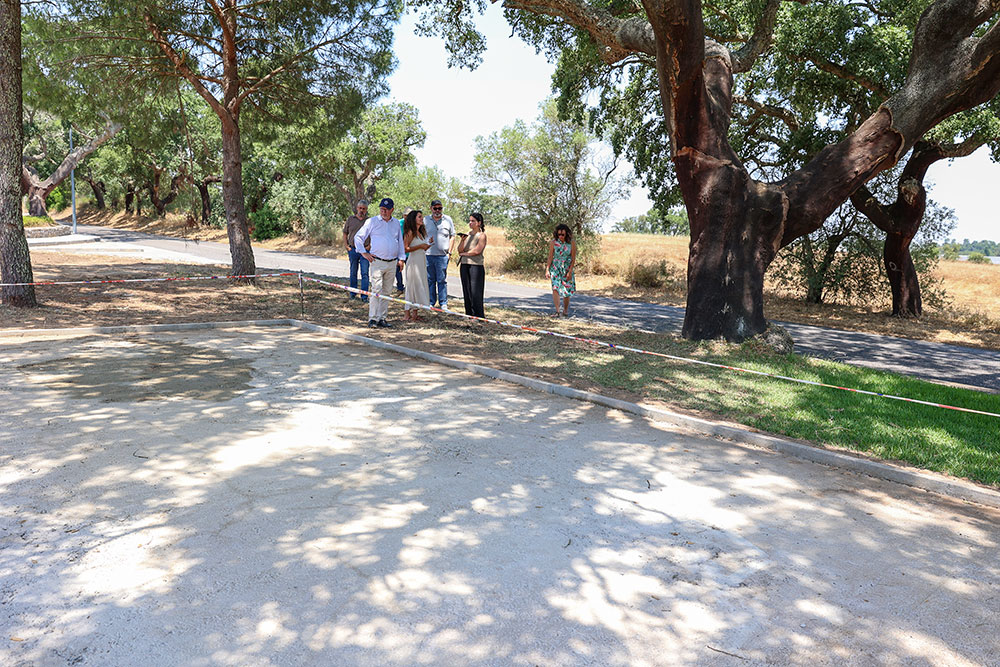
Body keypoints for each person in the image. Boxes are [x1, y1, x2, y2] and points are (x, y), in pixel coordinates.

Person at [354, 197, 406, 328]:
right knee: (376, 289)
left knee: (387, 291)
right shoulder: (372, 222)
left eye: (386, 210)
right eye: (382, 209)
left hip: (392, 263)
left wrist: (401, 259)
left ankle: (382, 318)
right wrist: (363, 253)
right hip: (377, 261)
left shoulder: (395, 224)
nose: (384, 212)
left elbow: (400, 242)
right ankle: (373, 318)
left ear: (392, 210)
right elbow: (358, 237)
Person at [424, 198, 456, 310]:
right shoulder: (425, 220)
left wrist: (449, 253)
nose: (437, 210)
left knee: (442, 280)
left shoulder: (448, 220)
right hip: (428, 255)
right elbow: (421, 235)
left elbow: (453, 236)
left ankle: (443, 303)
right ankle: (431, 302)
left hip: (442, 256)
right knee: (430, 280)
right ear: (431, 208)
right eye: (435, 208)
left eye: (440, 208)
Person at [402, 210, 432, 322]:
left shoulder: (421, 232)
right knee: (411, 286)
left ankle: (415, 314)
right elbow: (405, 248)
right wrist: (420, 246)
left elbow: (423, 247)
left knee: (419, 285)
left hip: (421, 261)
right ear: (413, 218)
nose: (421, 219)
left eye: (422, 217)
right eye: (419, 217)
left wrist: (427, 245)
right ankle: (407, 314)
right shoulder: (410, 232)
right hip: (413, 261)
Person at [457, 212, 487, 320]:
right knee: (467, 290)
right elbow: (459, 250)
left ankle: (478, 315)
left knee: (476, 292)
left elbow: (477, 250)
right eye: (469, 221)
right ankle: (469, 313)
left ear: (479, 223)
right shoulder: (467, 235)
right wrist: (462, 241)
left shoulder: (481, 235)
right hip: (464, 265)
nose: (470, 223)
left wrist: (465, 254)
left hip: (476, 266)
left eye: (473, 221)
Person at [342, 199, 370, 302]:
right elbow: (345, 233)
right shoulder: (351, 219)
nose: (361, 210)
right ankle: (353, 294)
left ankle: (364, 296)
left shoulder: (369, 221)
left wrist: (370, 246)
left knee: (365, 273)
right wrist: (346, 246)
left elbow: (374, 235)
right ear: (357, 208)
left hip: (365, 251)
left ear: (366, 210)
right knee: (353, 272)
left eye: (364, 209)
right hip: (353, 249)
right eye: (360, 208)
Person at [545, 223, 576, 316]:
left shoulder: (571, 243)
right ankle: (557, 311)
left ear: (567, 234)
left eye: (563, 234)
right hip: (555, 267)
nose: (561, 236)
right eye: (559, 234)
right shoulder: (553, 242)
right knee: (555, 288)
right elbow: (550, 257)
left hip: (566, 267)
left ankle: (565, 310)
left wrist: (570, 272)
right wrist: (547, 269)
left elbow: (573, 258)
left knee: (566, 290)